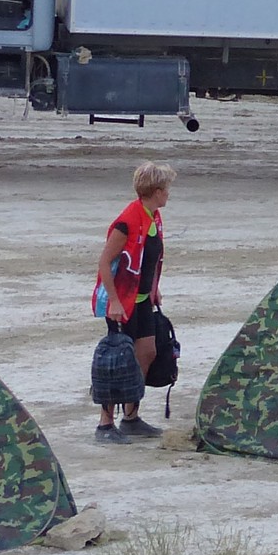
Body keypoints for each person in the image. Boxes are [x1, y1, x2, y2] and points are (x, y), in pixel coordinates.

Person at [93, 162, 175, 441]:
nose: (169, 194)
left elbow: (148, 260)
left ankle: (130, 417)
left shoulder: (152, 217)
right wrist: (114, 302)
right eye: (166, 189)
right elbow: (105, 262)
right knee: (118, 360)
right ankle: (105, 424)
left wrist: (154, 288)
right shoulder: (128, 221)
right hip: (122, 303)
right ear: (155, 191)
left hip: (142, 300)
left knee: (147, 353)